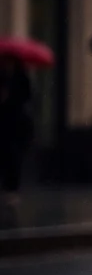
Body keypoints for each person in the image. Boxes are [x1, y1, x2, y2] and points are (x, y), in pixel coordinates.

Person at [0, 56, 34, 205]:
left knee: (14, 156)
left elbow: (27, 96)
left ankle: (12, 188)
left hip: (17, 122)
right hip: (3, 120)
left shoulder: (22, 77)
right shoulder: (3, 76)